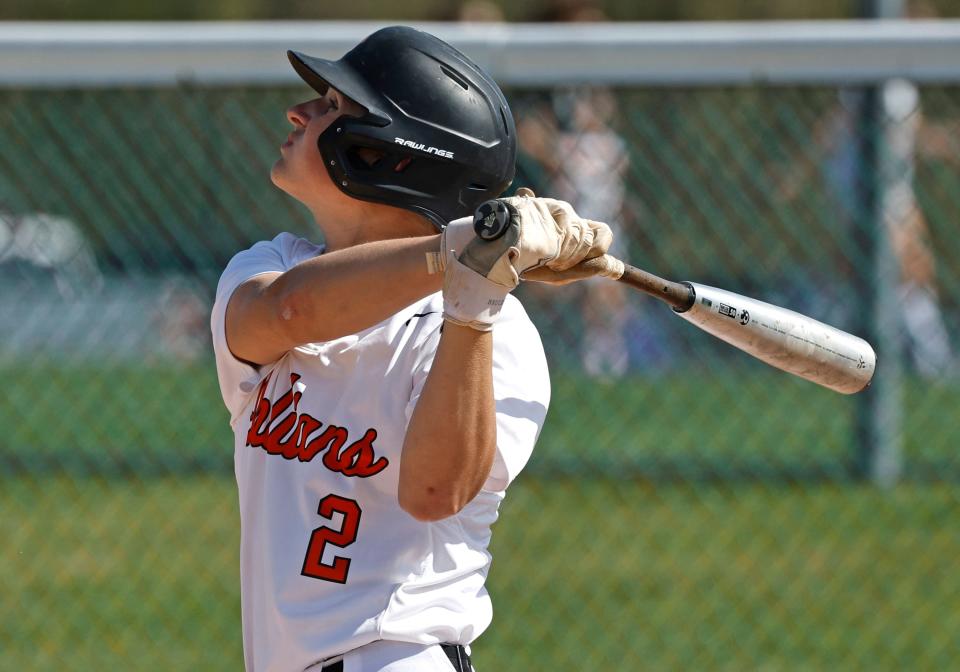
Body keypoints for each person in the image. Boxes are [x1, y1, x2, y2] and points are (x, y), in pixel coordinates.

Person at [210, 26, 614, 672]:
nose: (301, 111)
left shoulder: (495, 335)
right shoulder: (268, 270)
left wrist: (474, 294)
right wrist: (462, 253)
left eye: (337, 108)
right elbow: (292, 311)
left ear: (390, 157)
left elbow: (433, 489)